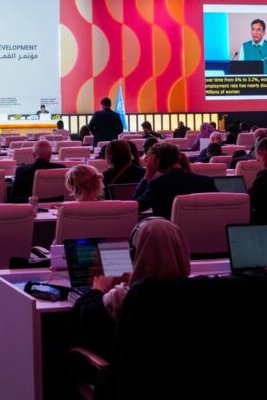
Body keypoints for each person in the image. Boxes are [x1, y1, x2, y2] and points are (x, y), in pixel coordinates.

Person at [67, 218, 191, 361]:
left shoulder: (127, 295)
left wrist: (97, 289)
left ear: (137, 253)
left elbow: (83, 316)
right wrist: (137, 276)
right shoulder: (195, 290)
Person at [133, 143, 216, 218]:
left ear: (155, 160)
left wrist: (148, 175)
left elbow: (135, 207)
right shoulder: (206, 181)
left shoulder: (157, 185)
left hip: (169, 230)